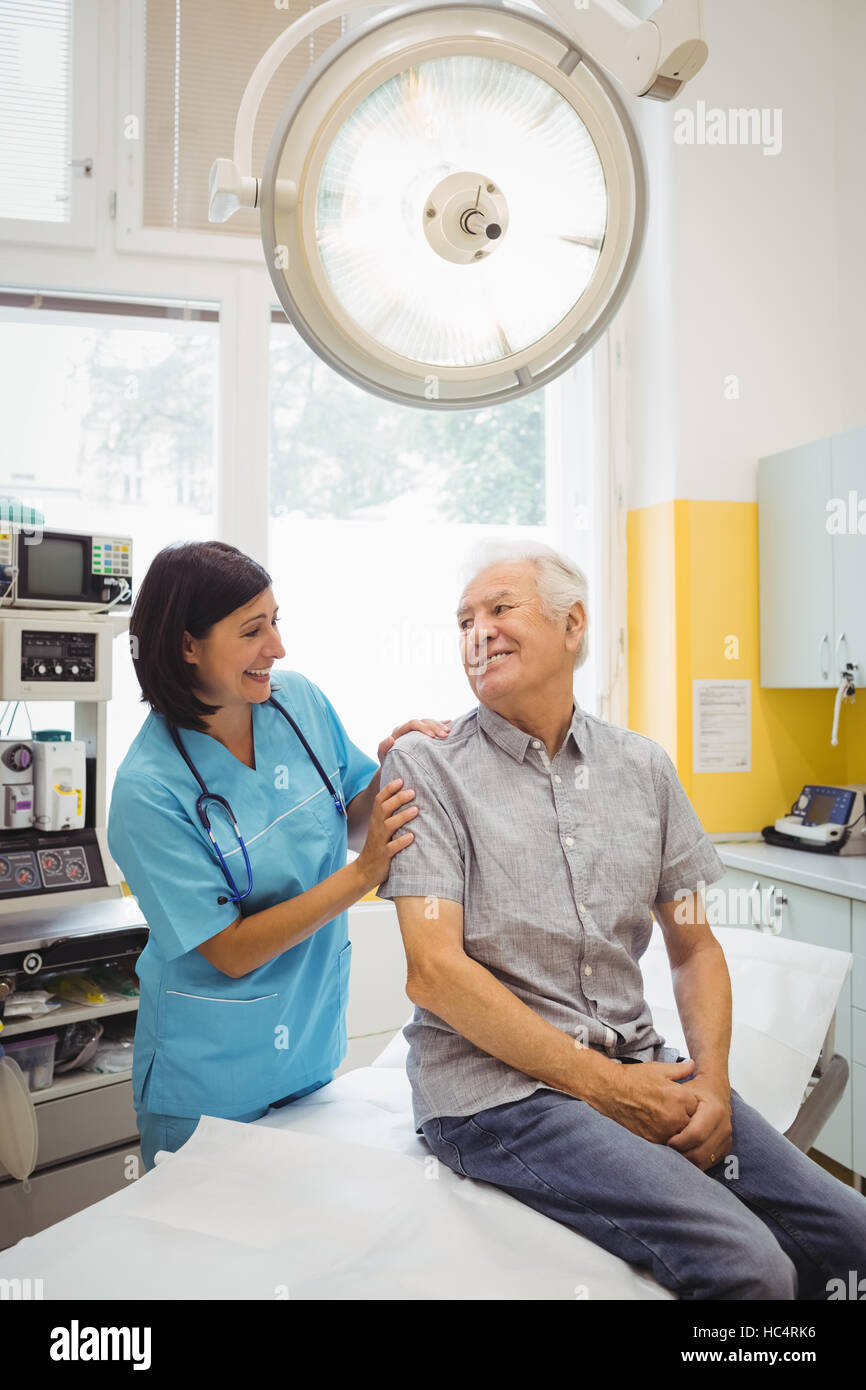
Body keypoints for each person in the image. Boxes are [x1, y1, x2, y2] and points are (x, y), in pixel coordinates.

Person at [376, 539, 866, 1300]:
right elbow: (433, 973)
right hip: (496, 1095)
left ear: (573, 626)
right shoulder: (425, 767)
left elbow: (695, 944)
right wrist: (607, 1088)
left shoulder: (642, 768)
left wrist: (710, 1083)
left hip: (640, 1061)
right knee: (753, 1266)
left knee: (853, 1238)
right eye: (464, 620)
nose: (479, 632)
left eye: (500, 609)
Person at [108, 540, 448, 1171]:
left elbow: (355, 820)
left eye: (275, 621)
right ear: (188, 645)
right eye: (252, 630)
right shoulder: (147, 791)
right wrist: (365, 875)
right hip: (209, 1081)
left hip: (309, 1048)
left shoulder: (297, 703)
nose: (278, 647)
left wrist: (396, 764)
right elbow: (232, 950)